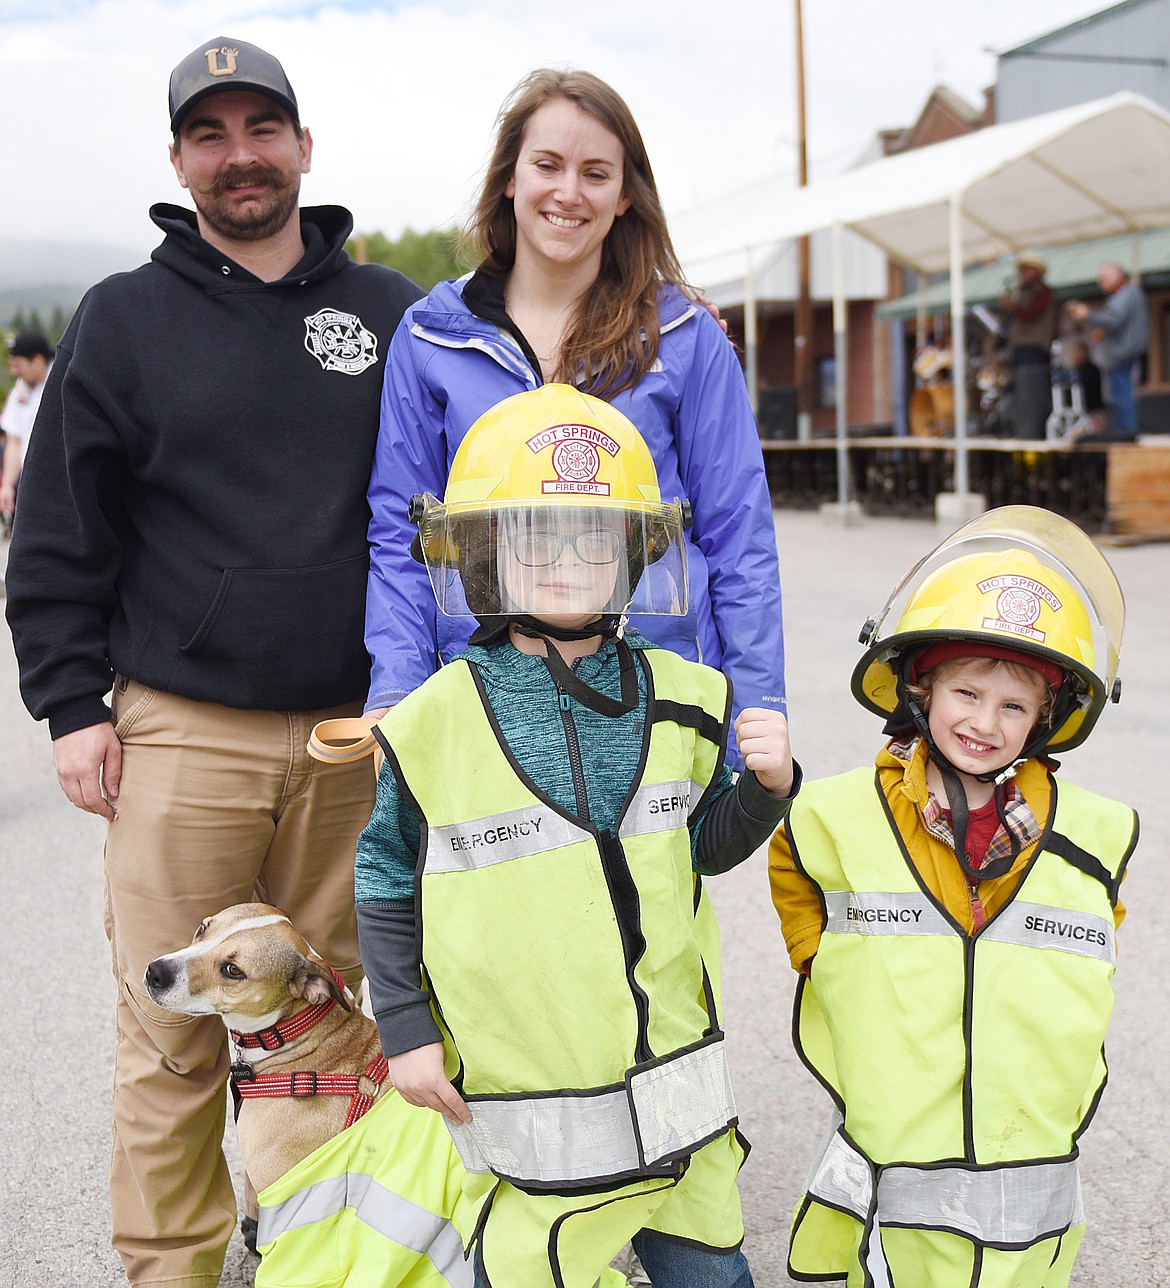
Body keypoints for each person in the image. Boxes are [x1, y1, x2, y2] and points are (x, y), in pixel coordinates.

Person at [4, 37, 422, 1288]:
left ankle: (333, 1250)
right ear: (180, 158)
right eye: (210, 133)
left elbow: (499, 422)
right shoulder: (122, 320)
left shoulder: (390, 310)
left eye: (261, 128)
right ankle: (174, 1270)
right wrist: (73, 703)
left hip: (358, 729)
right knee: (174, 1031)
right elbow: (60, 527)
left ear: (303, 143)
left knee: (351, 1021)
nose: (239, 155)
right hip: (186, 730)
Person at [355, 385, 797, 1287]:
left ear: (632, 558)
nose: (565, 559)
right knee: (525, 1267)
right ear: (483, 556)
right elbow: (386, 876)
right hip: (529, 1108)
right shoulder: (436, 719)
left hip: (679, 1097)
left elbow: (705, 848)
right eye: (533, 536)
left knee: (713, 1273)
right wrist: (403, 1029)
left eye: (594, 537)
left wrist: (767, 789)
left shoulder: (684, 695)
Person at [365, 69, 785, 768]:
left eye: (595, 173)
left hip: (653, 690)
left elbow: (740, 537)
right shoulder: (432, 335)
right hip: (482, 695)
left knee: (644, 876)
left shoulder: (685, 337)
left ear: (625, 196)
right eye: (548, 165)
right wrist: (398, 695)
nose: (568, 192)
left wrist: (757, 709)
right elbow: (401, 536)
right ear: (509, 178)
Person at [768, 505, 1136, 1287]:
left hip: (1026, 1153)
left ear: (1045, 719)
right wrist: (821, 960)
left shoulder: (1096, 832)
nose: (984, 722)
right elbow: (792, 861)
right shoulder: (838, 810)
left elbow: (1098, 926)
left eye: (1014, 706)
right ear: (921, 687)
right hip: (891, 1149)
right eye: (967, 694)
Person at [1068, 262, 1149, 440]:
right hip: (1126, 352)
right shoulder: (1131, 294)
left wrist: (1088, 314)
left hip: (1123, 353)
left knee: (1122, 393)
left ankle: (1127, 432)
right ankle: (1126, 430)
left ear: (1117, 275)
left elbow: (1113, 319)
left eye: (1104, 279)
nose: (1101, 284)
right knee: (1122, 393)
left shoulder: (1125, 295)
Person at [998, 255, 1056, 439]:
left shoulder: (1042, 292)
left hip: (1034, 351)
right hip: (1022, 351)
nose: (1021, 274)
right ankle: (1022, 432)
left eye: (1025, 269)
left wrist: (1012, 306)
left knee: (1031, 395)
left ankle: (1030, 435)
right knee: (1022, 396)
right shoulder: (1024, 291)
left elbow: (1031, 314)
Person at [0, 330, 54, 524]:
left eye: (18, 365)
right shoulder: (19, 392)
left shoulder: (62, 385)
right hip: (30, 485)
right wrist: (7, 485)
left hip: (56, 487)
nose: (14, 371)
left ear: (38, 361)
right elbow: (15, 441)